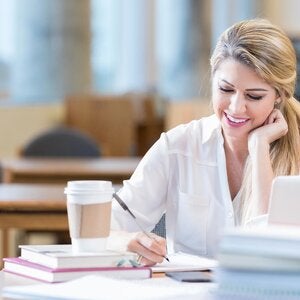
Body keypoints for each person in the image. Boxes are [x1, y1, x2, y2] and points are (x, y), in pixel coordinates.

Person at [111, 18, 300, 266]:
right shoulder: (178, 146)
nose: (236, 107)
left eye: (254, 96)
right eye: (226, 89)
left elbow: (269, 255)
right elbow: (105, 228)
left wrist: (259, 149)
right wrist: (125, 241)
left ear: (279, 97)